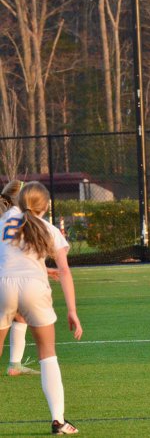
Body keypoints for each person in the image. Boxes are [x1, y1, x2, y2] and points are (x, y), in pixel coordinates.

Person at [0, 181, 82, 434]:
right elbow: (65, 272)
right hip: (34, 288)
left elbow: (10, 258)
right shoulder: (48, 228)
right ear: (45, 206)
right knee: (47, 354)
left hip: (3, 285)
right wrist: (72, 311)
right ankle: (59, 421)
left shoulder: (5, 219)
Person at [0, 179, 39, 375]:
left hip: (7, 274)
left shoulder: (4, 217)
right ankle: (14, 365)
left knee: (19, 316)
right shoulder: (20, 218)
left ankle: (15, 364)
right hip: (8, 276)